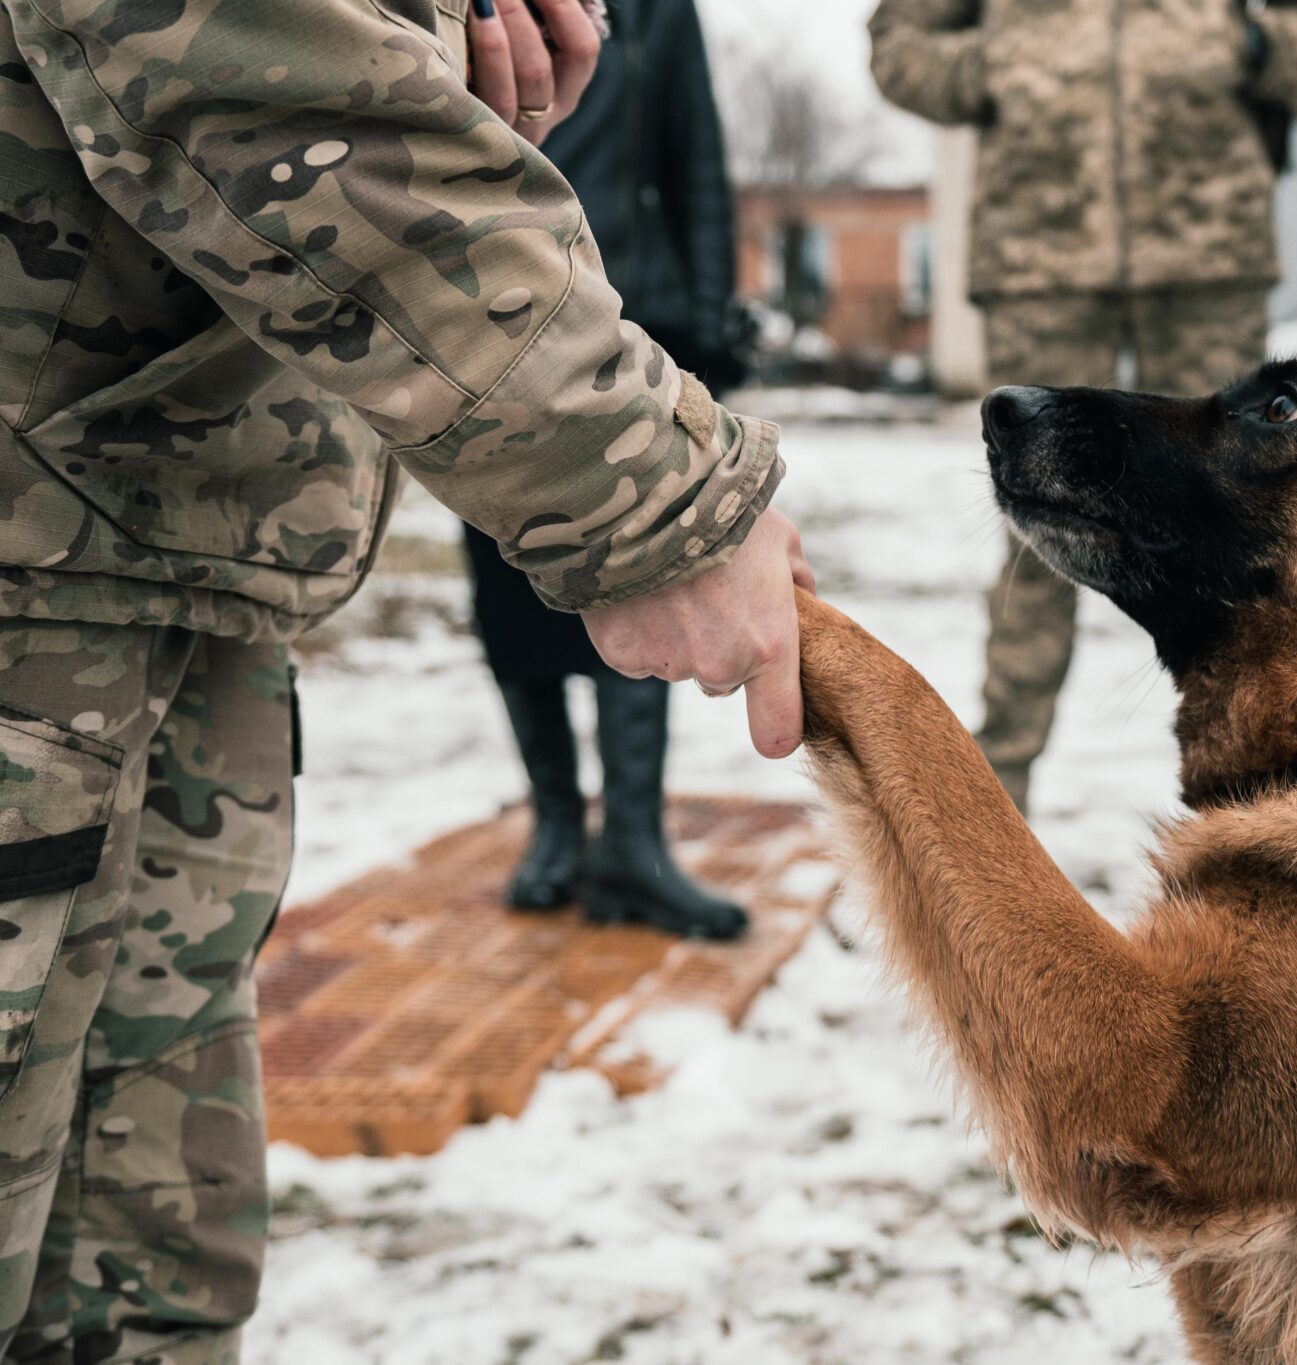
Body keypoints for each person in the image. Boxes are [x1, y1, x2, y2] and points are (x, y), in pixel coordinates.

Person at [0, 0, 809, 1356]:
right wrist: (653, 492)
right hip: (42, 582)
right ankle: (569, 825)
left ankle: (624, 836)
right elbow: (234, 50)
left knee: (145, 1292)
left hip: (164, 555)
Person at [870, 0, 1297, 813]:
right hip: (1044, 246)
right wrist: (1002, 67)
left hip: (1208, 241)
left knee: (1246, 520)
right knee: (1032, 527)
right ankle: (991, 814)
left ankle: (1267, 807)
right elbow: (897, 43)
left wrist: (1248, 45)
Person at [462, 0, 753, 939]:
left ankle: (632, 839)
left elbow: (695, 157)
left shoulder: (659, 10)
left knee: (639, 571)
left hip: (631, 316)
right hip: (481, 313)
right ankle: (555, 824)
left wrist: (709, 315)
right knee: (511, 595)